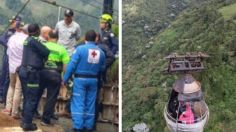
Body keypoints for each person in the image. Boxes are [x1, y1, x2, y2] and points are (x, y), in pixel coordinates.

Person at [63, 30, 106, 131]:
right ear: (95, 38)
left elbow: (71, 66)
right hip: (94, 80)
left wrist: (65, 79)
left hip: (80, 79)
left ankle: (78, 127)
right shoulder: (101, 52)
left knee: (78, 102)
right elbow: (102, 68)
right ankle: (88, 126)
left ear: (85, 38)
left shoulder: (79, 49)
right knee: (90, 103)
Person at [18, 23, 50, 131]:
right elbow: (46, 51)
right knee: (31, 98)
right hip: (31, 73)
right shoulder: (34, 41)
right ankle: (27, 123)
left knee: (27, 96)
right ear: (37, 31)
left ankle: (24, 121)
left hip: (23, 71)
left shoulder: (27, 40)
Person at [40, 30, 70, 126]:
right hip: (55, 75)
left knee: (36, 95)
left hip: (42, 73)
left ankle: (30, 115)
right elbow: (66, 66)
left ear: (48, 37)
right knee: (51, 98)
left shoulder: (43, 46)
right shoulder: (62, 49)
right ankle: (45, 120)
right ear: (57, 38)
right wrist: (64, 78)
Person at [2, 21, 27, 119]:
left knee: (11, 86)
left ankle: (8, 108)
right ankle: (15, 112)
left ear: (16, 28)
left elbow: (8, 53)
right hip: (21, 67)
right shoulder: (26, 39)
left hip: (11, 66)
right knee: (18, 89)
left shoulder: (11, 38)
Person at [0, 16, 21, 103]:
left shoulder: (19, 33)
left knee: (10, 78)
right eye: (12, 22)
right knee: (4, 75)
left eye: (15, 22)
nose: (13, 24)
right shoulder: (8, 31)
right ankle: (1, 94)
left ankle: (5, 97)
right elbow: (1, 39)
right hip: (7, 56)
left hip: (15, 58)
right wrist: (8, 44)